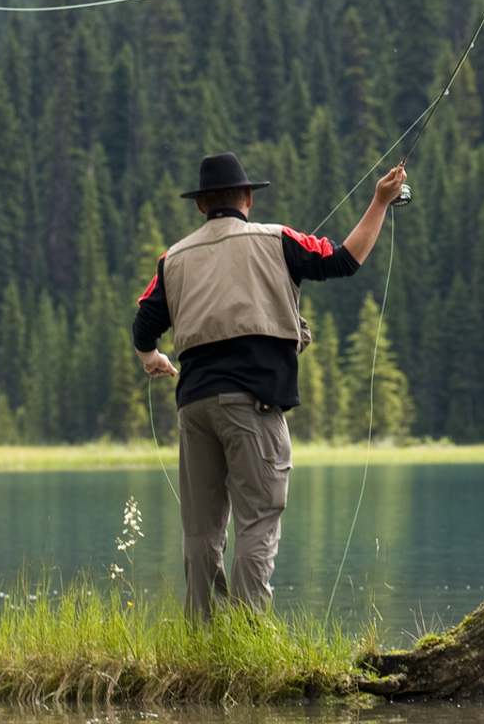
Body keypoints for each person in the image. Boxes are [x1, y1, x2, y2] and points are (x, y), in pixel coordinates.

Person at [133, 150, 406, 620]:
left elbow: (143, 324)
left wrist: (152, 358)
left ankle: (203, 639)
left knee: (200, 534)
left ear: (201, 205)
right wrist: (380, 202)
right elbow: (345, 259)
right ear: (247, 200)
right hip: (253, 408)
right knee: (257, 524)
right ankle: (250, 638)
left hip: (194, 409)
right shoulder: (279, 240)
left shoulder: (171, 259)